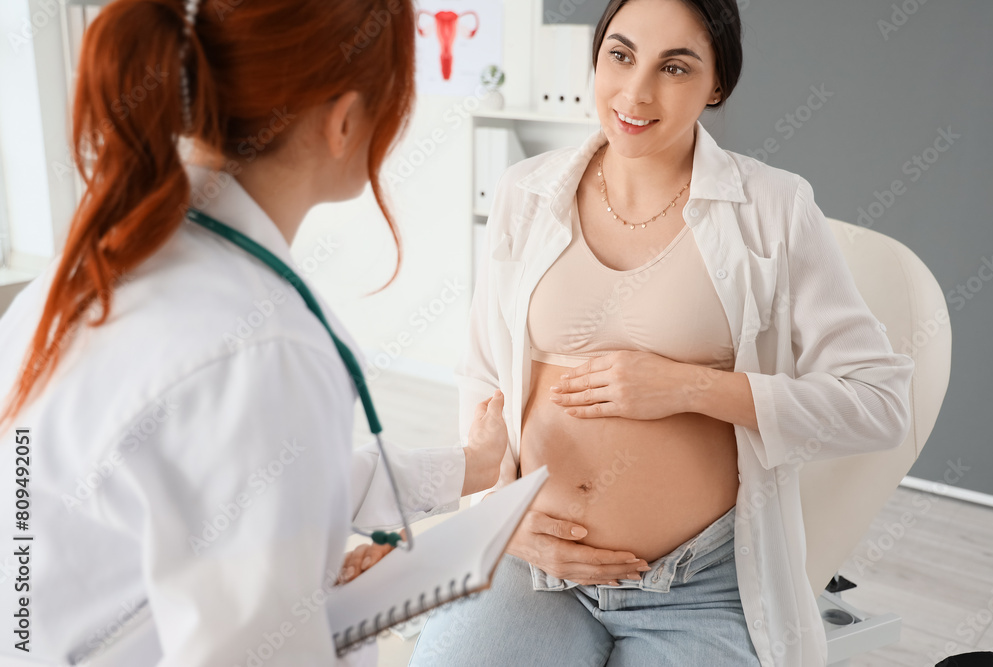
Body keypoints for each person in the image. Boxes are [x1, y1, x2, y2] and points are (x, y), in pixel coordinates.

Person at [0, 0, 508, 665]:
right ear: (346, 119)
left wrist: (467, 467)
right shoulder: (262, 350)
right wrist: (331, 621)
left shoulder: (101, 257)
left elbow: (232, 471)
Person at [411, 0, 915, 666]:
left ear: (717, 85)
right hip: (533, 564)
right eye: (620, 55)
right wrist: (500, 512)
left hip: (696, 588)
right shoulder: (524, 192)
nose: (636, 92)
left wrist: (689, 386)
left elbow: (880, 404)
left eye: (674, 67)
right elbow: (483, 376)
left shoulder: (775, 208)